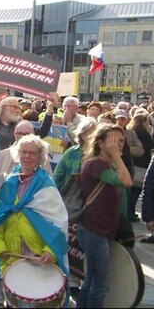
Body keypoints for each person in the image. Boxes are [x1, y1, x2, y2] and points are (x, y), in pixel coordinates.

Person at [0, 135, 69, 308]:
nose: (27, 156)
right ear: (17, 154)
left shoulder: (46, 186)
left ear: (40, 157)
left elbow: (59, 223)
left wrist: (50, 251)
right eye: (23, 152)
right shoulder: (8, 182)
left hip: (38, 258)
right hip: (11, 258)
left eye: (32, 153)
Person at [76, 124, 132, 308]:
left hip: (103, 230)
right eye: (113, 141)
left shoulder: (108, 164)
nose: (118, 145)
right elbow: (126, 181)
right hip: (94, 231)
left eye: (121, 141)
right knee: (101, 285)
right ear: (100, 143)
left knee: (91, 279)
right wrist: (116, 155)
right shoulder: (96, 164)